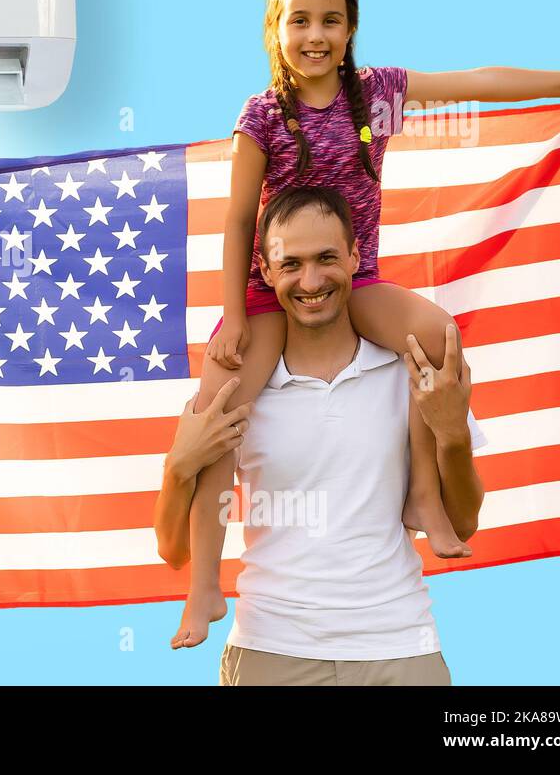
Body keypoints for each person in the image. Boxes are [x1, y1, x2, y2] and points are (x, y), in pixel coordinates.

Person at [169, 0, 560, 648]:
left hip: (358, 282)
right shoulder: (261, 115)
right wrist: (234, 312)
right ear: (276, 27)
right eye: (300, 20)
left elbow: (475, 82)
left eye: (331, 20)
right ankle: (204, 586)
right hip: (272, 293)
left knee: (436, 336)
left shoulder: (374, 95)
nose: (315, 34)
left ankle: (420, 494)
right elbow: (236, 220)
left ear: (351, 30)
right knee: (216, 416)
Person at [156, 186, 487, 684]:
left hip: (400, 645)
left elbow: (462, 524)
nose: (311, 280)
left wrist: (452, 434)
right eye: (290, 264)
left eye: (327, 258)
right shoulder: (240, 387)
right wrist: (178, 465)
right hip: (270, 649)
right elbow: (174, 549)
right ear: (266, 273)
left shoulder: (409, 366)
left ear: (356, 256)